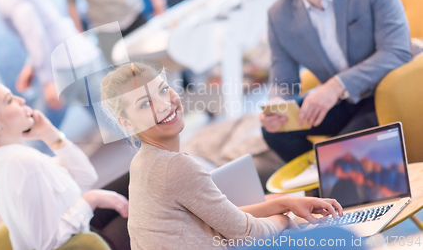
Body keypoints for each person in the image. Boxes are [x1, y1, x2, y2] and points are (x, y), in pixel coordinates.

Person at [100, 62, 343, 249]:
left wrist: (286, 202)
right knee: (331, 236)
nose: (163, 104)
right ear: (127, 124)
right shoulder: (174, 166)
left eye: (163, 90)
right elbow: (247, 233)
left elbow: (226, 216)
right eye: (145, 104)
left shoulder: (143, 161)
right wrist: (284, 217)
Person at [260, 0, 412, 162]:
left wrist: (334, 86)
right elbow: (283, 81)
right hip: (344, 102)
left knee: (341, 151)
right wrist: (276, 105)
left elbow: (397, 52)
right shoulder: (279, 15)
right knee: (274, 131)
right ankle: (320, 186)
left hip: (388, 88)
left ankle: (333, 180)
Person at [0, 82, 130, 250]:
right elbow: (46, 243)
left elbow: (86, 177)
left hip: (80, 226)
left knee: (139, 179)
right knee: (148, 199)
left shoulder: (4, 162)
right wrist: (91, 199)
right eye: (9, 100)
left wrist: (50, 134)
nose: (21, 101)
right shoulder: (22, 164)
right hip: (82, 243)